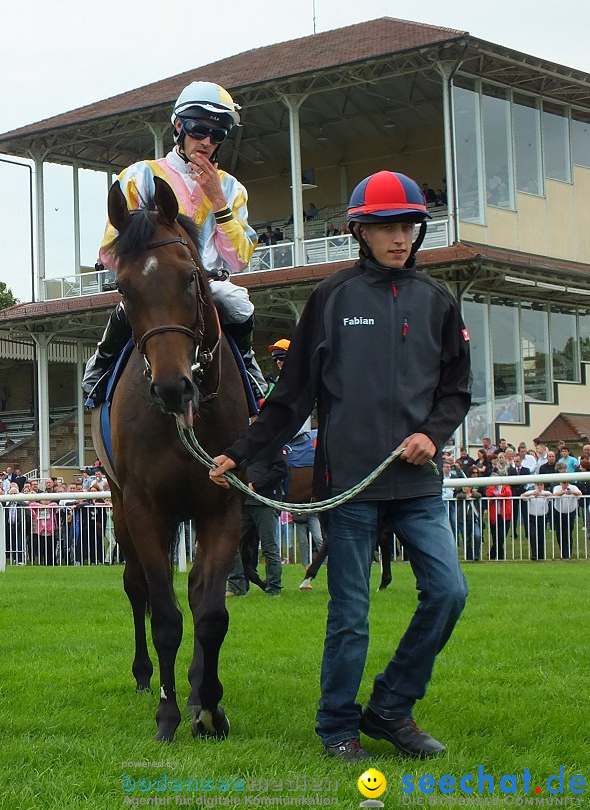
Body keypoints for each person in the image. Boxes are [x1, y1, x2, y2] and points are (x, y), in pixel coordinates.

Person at [208, 170, 471, 761]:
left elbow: (456, 390)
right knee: (350, 612)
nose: (399, 238)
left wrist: (433, 434)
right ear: (360, 232)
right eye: (386, 228)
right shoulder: (332, 298)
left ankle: (391, 708)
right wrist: (242, 450)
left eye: (407, 226)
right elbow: (292, 395)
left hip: (417, 484)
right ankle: (337, 727)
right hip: (347, 486)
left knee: (449, 592)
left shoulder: (438, 302)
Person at [81, 80, 264, 405]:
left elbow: (238, 260)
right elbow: (110, 250)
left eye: (218, 134)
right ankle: (100, 368)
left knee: (240, 306)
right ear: (179, 126)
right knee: (129, 307)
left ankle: (249, 371)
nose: (207, 141)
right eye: (199, 129)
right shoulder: (138, 176)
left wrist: (218, 202)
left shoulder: (232, 189)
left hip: (209, 286)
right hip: (154, 281)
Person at [225, 444, 286, 597]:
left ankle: (274, 587)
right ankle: (236, 585)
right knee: (232, 543)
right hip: (244, 501)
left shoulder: (274, 444)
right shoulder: (245, 443)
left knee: (269, 546)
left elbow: (281, 469)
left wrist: (256, 485)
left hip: (264, 501)